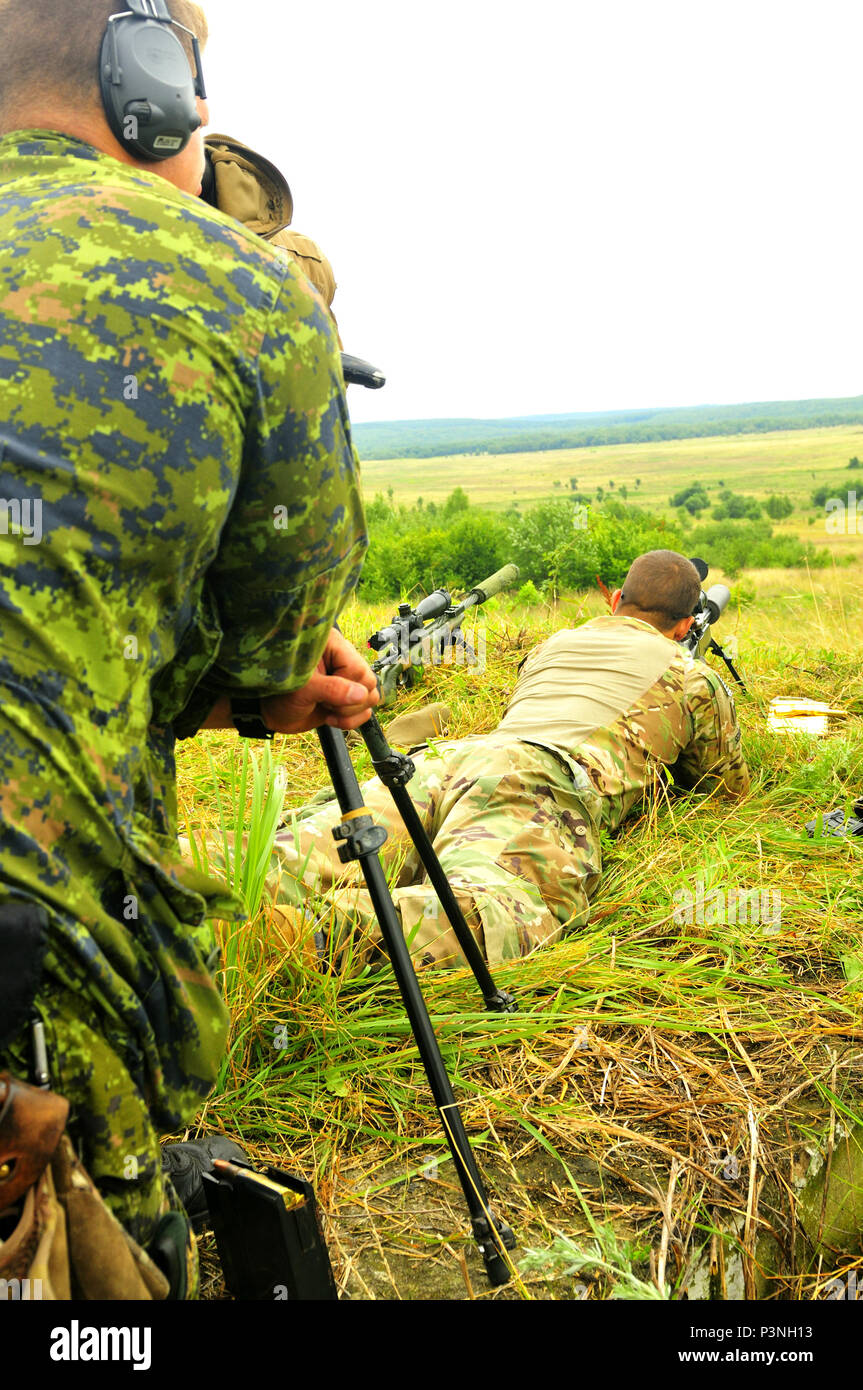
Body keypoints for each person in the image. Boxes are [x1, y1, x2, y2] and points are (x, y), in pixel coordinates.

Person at [0, 0, 377, 1296]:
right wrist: (253, 694)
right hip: (36, 963)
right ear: (148, 84)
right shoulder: (247, 290)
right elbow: (275, 643)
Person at [267, 551, 750, 971]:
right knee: (494, 912)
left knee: (300, 856)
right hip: (534, 778)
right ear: (685, 626)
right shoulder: (691, 675)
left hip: (448, 760)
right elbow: (725, 787)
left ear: (617, 598)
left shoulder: (552, 646)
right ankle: (303, 936)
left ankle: (228, 886)